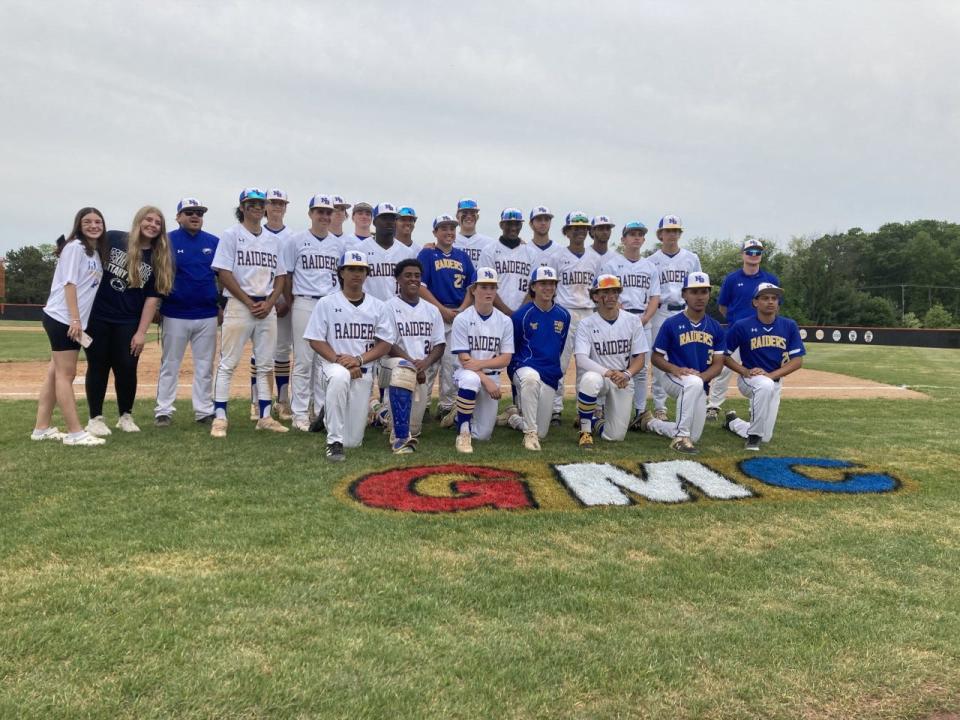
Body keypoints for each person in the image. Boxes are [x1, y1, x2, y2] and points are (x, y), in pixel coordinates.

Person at [84, 206, 172, 437]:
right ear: (139, 220)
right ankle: (95, 418)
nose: (152, 225)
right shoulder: (113, 238)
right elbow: (85, 249)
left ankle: (125, 416)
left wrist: (141, 332)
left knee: (127, 367)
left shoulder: (157, 256)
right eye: (148, 219)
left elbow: (152, 300)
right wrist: (63, 246)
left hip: (128, 320)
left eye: (158, 222)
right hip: (98, 316)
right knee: (98, 366)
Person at [209, 188, 289, 438]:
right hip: (239, 305)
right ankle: (220, 416)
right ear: (242, 207)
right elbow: (223, 273)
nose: (256, 207)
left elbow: (282, 277)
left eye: (259, 203)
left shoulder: (273, 240)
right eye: (251, 203)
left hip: (266, 307)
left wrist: (270, 302)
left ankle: (265, 416)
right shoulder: (231, 235)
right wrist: (248, 301)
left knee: (265, 364)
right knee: (228, 363)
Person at [304, 250, 395, 461]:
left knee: (353, 441)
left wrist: (359, 359)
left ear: (367, 274)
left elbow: (386, 343)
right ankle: (333, 442)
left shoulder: (377, 306)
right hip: (331, 366)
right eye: (351, 269)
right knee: (339, 376)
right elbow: (315, 339)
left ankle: (328, 412)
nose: (356, 273)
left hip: (363, 370)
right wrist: (338, 360)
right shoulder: (326, 303)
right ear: (341, 273)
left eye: (361, 269)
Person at [32, 207, 107, 446]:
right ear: (78, 224)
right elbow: (69, 284)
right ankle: (76, 433)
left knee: (55, 372)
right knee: (67, 374)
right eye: (88, 222)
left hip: (69, 319)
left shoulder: (93, 253)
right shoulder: (75, 248)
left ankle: (41, 428)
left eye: (98, 221)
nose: (94, 225)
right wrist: (75, 320)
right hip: (63, 319)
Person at [640, 271, 725, 454]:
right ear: (684, 294)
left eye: (704, 291)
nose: (699, 297)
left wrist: (702, 377)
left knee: (694, 436)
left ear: (709, 294)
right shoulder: (671, 323)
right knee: (692, 384)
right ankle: (680, 438)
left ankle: (651, 423)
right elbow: (656, 357)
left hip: (699, 382)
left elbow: (719, 364)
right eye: (694, 292)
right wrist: (675, 369)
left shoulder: (715, 327)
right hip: (671, 377)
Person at [154, 198, 220, 427]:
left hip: (207, 313)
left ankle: (203, 410)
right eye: (189, 212)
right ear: (178, 217)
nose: (195, 216)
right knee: (170, 364)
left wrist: (221, 304)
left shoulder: (214, 242)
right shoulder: (167, 241)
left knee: (204, 366)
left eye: (199, 213)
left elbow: (224, 276)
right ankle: (163, 410)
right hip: (175, 313)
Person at [283, 194, 343, 431]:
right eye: (320, 211)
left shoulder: (338, 244)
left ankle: (319, 410)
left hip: (329, 304)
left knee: (324, 359)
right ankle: (299, 413)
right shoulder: (296, 240)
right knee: (303, 360)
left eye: (328, 212)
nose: (324, 216)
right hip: (305, 302)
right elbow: (287, 276)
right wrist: (292, 301)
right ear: (310, 214)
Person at [721, 283, 805, 451]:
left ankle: (733, 422)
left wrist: (771, 375)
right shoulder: (742, 325)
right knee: (764, 386)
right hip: (749, 379)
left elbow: (797, 361)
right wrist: (744, 371)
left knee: (765, 437)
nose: (770, 301)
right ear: (755, 302)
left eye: (774, 298)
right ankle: (753, 439)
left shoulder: (788, 325)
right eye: (765, 298)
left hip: (774, 381)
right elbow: (724, 356)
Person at [706, 238, 781, 419]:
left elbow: (776, 305)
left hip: (760, 333)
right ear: (743, 255)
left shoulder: (770, 279)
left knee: (758, 370)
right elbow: (723, 306)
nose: (754, 255)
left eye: (758, 252)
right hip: (737, 331)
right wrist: (737, 321)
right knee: (724, 368)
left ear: (761, 256)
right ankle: (713, 406)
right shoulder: (732, 279)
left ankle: (755, 406)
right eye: (750, 252)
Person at [573, 274, 648, 451]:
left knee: (615, 436)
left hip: (622, 378)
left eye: (615, 291)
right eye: (605, 292)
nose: (611, 296)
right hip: (601, 376)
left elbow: (640, 358)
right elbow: (581, 358)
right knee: (589, 379)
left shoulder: (632, 320)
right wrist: (608, 373)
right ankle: (585, 431)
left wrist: (627, 374)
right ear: (595, 296)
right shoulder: (586, 324)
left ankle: (594, 421)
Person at [600, 220, 661, 427]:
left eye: (640, 234)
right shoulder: (611, 265)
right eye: (632, 234)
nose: (636, 237)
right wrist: (620, 313)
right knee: (614, 364)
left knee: (642, 368)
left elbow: (655, 297)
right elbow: (605, 293)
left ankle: (640, 410)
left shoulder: (650, 267)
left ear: (644, 239)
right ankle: (607, 408)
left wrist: (645, 318)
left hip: (643, 320)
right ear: (623, 239)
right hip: (619, 318)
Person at [417, 214, 477, 423]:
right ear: (435, 232)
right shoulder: (426, 254)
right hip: (433, 314)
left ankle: (447, 406)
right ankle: (422, 405)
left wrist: (462, 309)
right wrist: (440, 309)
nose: (449, 232)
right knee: (430, 363)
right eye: (443, 228)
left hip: (457, 314)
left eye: (452, 228)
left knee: (452, 364)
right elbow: (421, 287)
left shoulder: (462, 256)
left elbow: (472, 287)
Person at [382, 258, 446, 453]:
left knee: (415, 429)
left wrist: (424, 364)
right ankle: (398, 437)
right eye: (408, 275)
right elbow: (388, 344)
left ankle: (381, 412)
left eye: (417, 276)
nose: (413, 279)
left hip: (421, 370)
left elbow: (440, 344)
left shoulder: (432, 309)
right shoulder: (388, 306)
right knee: (404, 370)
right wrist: (412, 364)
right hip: (393, 367)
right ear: (398, 280)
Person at [450, 268, 514, 453]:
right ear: (473, 290)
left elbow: (506, 358)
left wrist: (481, 366)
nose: (488, 292)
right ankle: (463, 433)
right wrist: (485, 379)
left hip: (490, 375)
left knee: (483, 435)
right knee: (472, 380)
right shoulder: (462, 319)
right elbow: (464, 360)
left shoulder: (504, 321)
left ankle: (459, 414)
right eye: (484, 287)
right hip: (465, 374)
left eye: (492, 287)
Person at [506, 266, 570, 450]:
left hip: (549, 373)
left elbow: (559, 346)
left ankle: (514, 418)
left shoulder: (564, 315)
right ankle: (529, 435)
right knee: (531, 379)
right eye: (543, 283)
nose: (548, 287)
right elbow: (514, 348)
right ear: (533, 287)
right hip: (524, 367)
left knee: (543, 431)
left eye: (552, 283)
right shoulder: (521, 315)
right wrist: (515, 376)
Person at [647, 214, 702, 421]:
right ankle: (660, 405)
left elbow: (698, 288)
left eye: (675, 231)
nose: (672, 234)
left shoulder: (691, 258)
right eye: (668, 231)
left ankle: (692, 396)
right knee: (659, 357)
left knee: (689, 354)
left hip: (684, 311)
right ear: (660, 235)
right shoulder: (651, 260)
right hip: (661, 311)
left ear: (680, 234)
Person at [248, 188, 295, 421]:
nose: (277, 207)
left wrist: (285, 301)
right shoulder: (255, 232)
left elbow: (289, 274)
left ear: (286, 207)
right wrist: (267, 302)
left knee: (283, 351)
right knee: (260, 352)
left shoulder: (292, 236)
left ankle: (283, 401)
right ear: (265, 207)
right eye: (273, 203)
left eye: (281, 203)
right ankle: (256, 402)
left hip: (284, 304)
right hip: (260, 303)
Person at [552, 211, 602, 425]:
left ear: (588, 231)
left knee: (587, 364)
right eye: (575, 228)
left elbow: (597, 289)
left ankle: (585, 411)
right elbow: (551, 287)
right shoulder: (557, 257)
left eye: (583, 228)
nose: (579, 231)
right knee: (560, 363)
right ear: (567, 232)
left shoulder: (595, 258)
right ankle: (555, 409)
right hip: (565, 312)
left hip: (589, 313)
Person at [478, 208, 535, 315]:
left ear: (521, 226)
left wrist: (520, 313)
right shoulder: (489, 251)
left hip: (524, 313)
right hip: (494, 312)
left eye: (517, 224)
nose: (513, 228)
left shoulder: (531, 253)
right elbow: (485, 285)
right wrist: (506, 311)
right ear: (501, 225)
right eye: (509, 224)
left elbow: (534, 287)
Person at [453, 197, 493, 265]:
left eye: (472, 213)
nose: (469, 216)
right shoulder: (450, 242)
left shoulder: (489, 243)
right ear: (457, 216)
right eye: (465, 212)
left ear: (477, 217)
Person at [527, 205, 561, 272]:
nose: (543, 223)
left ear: (550, 223)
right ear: (531, 224)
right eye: (539, 220)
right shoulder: (525, 250)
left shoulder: (560, 250)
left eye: (546, 219)